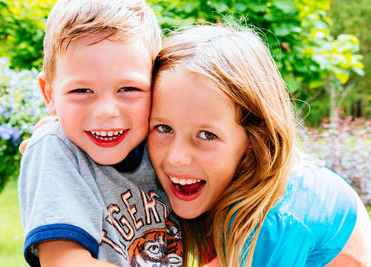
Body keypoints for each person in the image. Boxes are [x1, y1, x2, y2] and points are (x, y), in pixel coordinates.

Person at [148, 25, 371, 266]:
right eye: (164, 128)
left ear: (256, 139)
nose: (177, 157)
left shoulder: (274, 220)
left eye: (207, 135)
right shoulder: (231, 193)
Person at [18, 0, 183, 266]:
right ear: (50, 94)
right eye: (81, 91)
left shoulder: (162, 146)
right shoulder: (54, 149)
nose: (106, 111)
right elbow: (64, 262)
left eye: (128, 89)